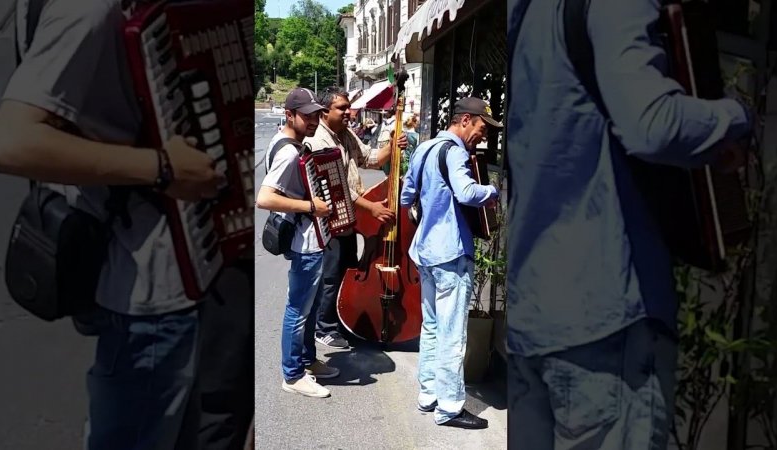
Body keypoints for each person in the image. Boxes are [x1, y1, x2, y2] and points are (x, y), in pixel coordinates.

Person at [0, 1, 252, 449]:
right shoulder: (88, 9)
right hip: (145, 292)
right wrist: (163, 167)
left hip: (174, 272)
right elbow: (10, 143)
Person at [506, 1, 753, 448]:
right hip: (606, 315)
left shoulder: (527, 15)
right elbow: (652, 125)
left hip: (535, 313)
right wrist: (736, 118)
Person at [400, 96, 501, 429]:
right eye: (482, 128)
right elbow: (467, 193)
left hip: (426, 252)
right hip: (451, 254)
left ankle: (428, 396)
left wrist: (430, 212)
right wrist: (492, 191)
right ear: (466, 120)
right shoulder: (456, 152)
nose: (483, 136)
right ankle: (449, 408)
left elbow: (406, 197)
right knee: (452, 333)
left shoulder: (424, 148)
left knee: (431, 327)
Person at [303, 86, 407, 349]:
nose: (348, 112)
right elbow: (337, 186)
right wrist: (371, 208)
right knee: (331, 274)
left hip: (349, 218)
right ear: (325, 111)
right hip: (330, 219)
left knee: (348, 270)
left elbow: (370, 159)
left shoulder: (345, 134)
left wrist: (392, 145)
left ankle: (342, 320)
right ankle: (323, 328)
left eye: (348, 106)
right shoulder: (318, 140)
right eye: (341, 108)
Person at [255, 87, 334, 398]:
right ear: (290, 114)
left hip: (309, 238)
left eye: (316, 114)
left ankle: (307, 360)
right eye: (307, 115)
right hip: (306, 241)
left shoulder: (284, 142)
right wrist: (312, 206)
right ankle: (293, 374)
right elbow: (264, 198)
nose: (313, 120)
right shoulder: (289, 151)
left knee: (309, 305)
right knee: (298, 309)